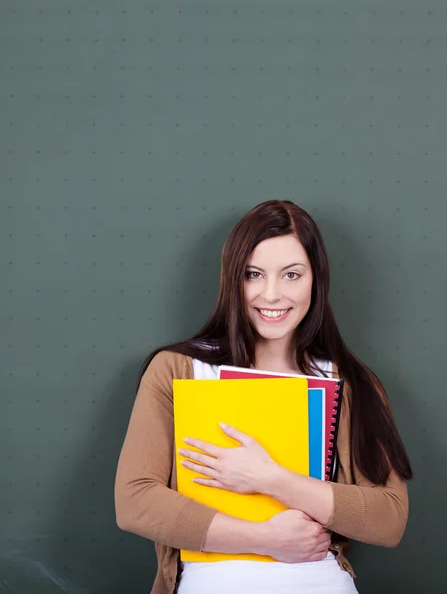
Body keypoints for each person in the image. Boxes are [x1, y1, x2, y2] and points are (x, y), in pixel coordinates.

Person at [114, 199, 413, 594]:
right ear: (232, 279)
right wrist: (264, 538)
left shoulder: (351, 382)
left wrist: (269, 478)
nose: (272, 295)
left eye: (292, 274)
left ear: (316, 281)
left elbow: (390, 517)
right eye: (254, 274)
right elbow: (135, 501)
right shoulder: (177, 369)